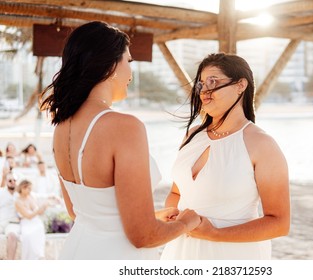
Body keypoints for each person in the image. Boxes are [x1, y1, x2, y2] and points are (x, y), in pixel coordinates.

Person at [39, 21, 200, 260]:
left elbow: (80, 211)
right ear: (111, 65)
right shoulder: (125, 127)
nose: (131, 73)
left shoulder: (61, 126)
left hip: (77, 252)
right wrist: (187, 222)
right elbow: (142, 236)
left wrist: (151, 215)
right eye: (129, 61)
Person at [160, 53, 290, 260]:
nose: (205, 91)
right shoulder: (192, 135)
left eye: (214, 81)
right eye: (202, 84)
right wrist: (174, 216)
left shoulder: (262, 145)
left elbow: (279, 223)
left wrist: (215, 234)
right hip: (182, 253)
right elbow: (177, 193)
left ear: (240, 85)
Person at [14, 180, 48, 260]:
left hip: (36, 222)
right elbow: (28, 216)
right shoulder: (17, 201)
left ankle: (38, 256)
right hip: (26, 222)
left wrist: (43, 208)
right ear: (22, 188)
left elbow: (37, 211)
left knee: (39, 228)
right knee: (28, 236)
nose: (30, 190)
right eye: (28, 188)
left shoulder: (31, 197)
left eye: (30, 188)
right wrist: (39, 210)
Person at [0, 172, 20, 259]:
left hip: (13, 223)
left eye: (14, 180)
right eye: (10, 180)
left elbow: (36, 196)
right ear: (6, 181)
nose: (12, 182)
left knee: (12, 236)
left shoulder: (21, 193)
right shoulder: (1, 192)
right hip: (1, 221)